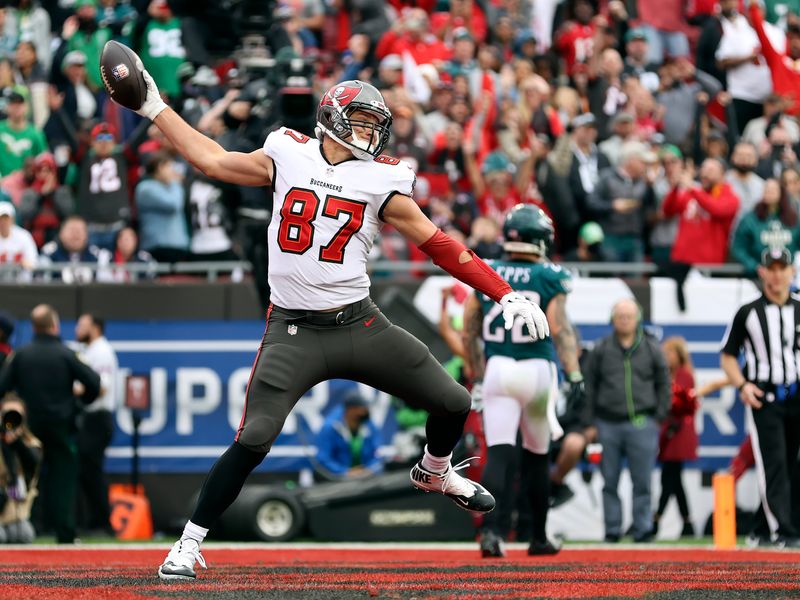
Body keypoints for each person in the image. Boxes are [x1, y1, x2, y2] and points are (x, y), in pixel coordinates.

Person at [112, 57, 549, 580]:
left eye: (374, 123)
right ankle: (186, 545)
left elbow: (439, 244)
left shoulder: (382, 178)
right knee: (254, 438)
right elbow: (213, 160)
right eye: (362, 120)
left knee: (453, 402)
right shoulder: (287, 152)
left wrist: (502, 293)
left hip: (358, 324)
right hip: (293, 330)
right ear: (334, 119)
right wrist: (155, 108)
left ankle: (433, 472)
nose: (371, 131)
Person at [463, 205, 581, 558]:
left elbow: (469, 331)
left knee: (499, 455)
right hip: (537, 371)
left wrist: (479, 376)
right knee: (536, 458)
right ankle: (538, 536)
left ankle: (491, 535)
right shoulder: (550, 275)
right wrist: (574, 372)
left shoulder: (488, 269)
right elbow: (560, 329)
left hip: (498, 366)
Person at [0, 304, 101, 544]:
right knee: (63, 478)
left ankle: (29, 526)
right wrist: (79, 401)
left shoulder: (21, 354)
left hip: (29, 428)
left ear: (35, 326)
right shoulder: (65, 354)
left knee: (28, 477)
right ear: (54, 325)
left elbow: (2, 387)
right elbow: (94, 383)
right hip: (60, 425)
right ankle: (64, 532)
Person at [720, 246, 800, 547]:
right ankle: (784, 531)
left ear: (791, 271)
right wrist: (742, 385)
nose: (777, 275)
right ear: (762, 272)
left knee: (793, 463)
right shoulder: (748, 312)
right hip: (764, 397)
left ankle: (763, 528)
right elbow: (728, 356)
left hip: (796, 395)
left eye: (783, 268)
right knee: (774, 462)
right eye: (772, 268)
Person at [584, 298, 670, 542]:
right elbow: (590, 387)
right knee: (608, 481)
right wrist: (590, 423)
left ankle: (642, 528)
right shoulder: (600, 349)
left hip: (643, 423)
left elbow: (664, 383)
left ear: (637, 319)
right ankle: (612, 530)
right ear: (612, 319)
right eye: (620, 316)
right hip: (606, 424)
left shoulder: (652, 348)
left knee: (642, 481)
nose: (624, 320)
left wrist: (659, 416)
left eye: (629, 316)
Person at [74, 313, 117, 534]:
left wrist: (76, 389)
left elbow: (102, 387)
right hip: (89, 418)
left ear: (96, 328)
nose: (77, 329)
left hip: (97, 418)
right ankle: (93, 522)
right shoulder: (87, 350)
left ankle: (102, 523)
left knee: (92, 471)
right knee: (86, 471)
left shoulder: (101, 351)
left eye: (83, 325)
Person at [652, 336, 699, 539]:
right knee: (675, 479)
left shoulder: (685, 375)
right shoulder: (665, 375)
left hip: (679, 432)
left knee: (669, 477)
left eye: (669, 352)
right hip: (667, 431)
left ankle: (655, 519)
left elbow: (684, 404)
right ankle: (687, 523)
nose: (666, 356)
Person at [0, 393, 42, 543]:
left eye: (16, 414)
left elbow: (32, 464)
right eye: (7, 414)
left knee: (24, 535)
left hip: (16, 512)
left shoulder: (31, 443)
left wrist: (16, 443)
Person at [315, 390, 384, 480]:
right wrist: (345, 472)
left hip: (366, 478)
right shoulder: (330, 427)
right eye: (362, 408)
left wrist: (369, 470)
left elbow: (377, 453)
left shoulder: (369, 424)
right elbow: (323, 459)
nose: (365, 411)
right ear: (351, 410)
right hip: (338, 481)